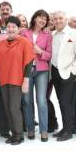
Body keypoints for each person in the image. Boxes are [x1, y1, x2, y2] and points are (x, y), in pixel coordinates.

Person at [0, 16, 35, 145]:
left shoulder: (24, 42)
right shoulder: (1, 44)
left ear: (18, 29)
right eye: (9, 26)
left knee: (14, 108)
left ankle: (19, 135)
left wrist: (26, 81)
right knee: (7, 108)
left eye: (14, 27)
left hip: (17, 80)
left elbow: (29, 62)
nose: (11, 29)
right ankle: (13, 134)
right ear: (5, 28)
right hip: (3, 80)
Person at [51, 11, 76, 141]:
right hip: (54, 72)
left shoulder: (74, 33)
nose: (58, 21)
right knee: (61, 101)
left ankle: (69, 131)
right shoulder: (53, 34)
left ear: (65, 20)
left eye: (60, 18)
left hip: (68, 73)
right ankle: (65, 128)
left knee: (66, 102)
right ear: (53, 21)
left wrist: (73, 72)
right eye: (55, 19)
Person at [20, 10, 52, 142]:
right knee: (27, 101)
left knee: (41, 101)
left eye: (45, 19)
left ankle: (44, 130)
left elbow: (50, 55)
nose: (43, 20)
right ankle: (30, 128)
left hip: (42, 71)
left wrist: (40, 52)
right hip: (26, 71)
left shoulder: (48, 35)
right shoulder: (23, 33)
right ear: (34, 18)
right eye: (41, 17)